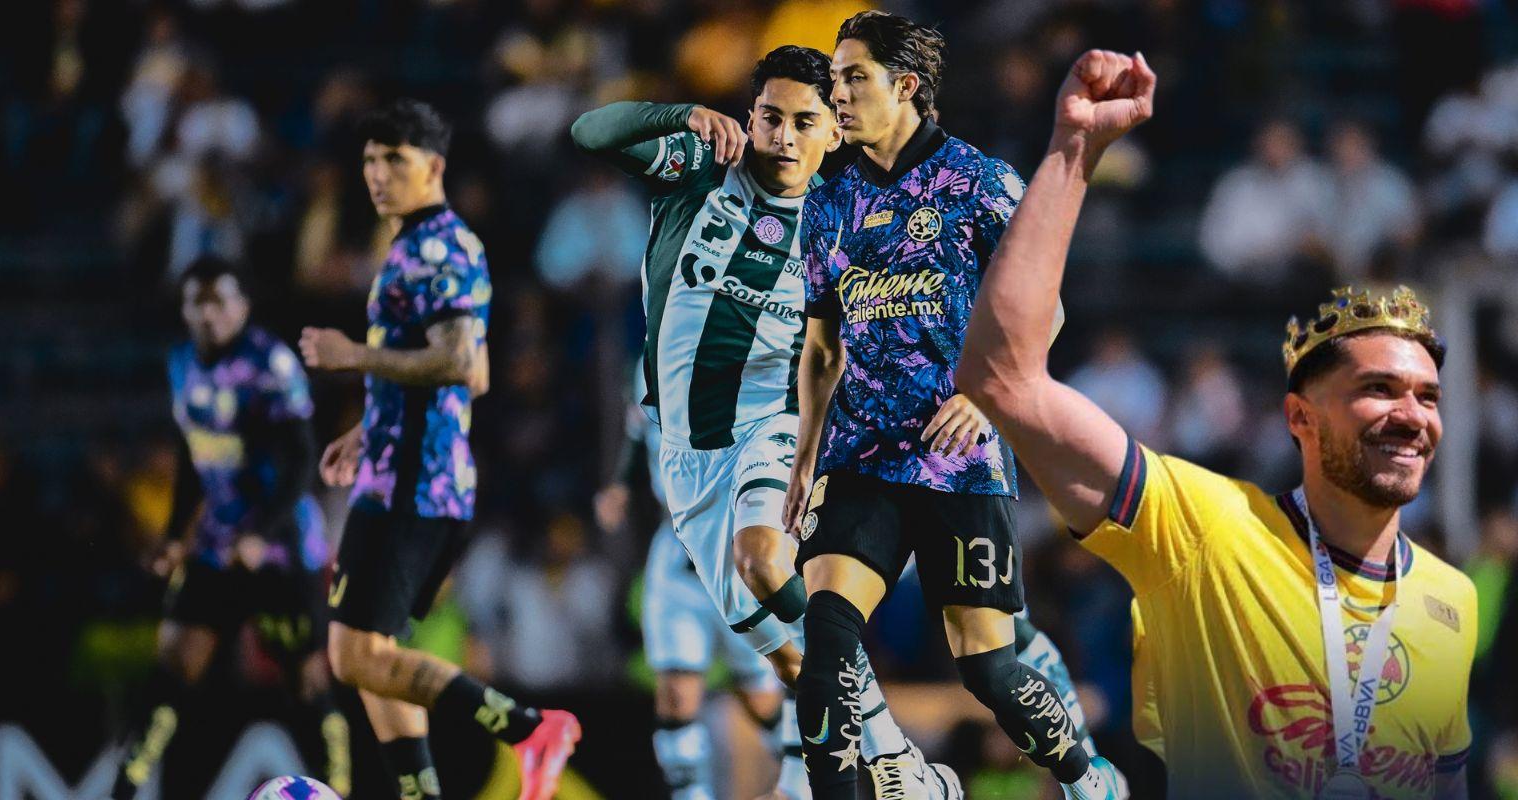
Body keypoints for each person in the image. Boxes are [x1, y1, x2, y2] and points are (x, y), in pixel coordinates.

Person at [955, 48, 1475, 799]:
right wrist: (1075, 149)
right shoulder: (1204, 528)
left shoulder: (1451, 598)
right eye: (1380, 388)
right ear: (1299, 415)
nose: (1412, 415)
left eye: (1428, 397)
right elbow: (1003, 377)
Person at [573, 45, 958, 798]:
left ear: (835, 133)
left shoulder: (851, 221)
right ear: (749, 117)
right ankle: (898, 763)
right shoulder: (698, 167)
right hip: (684, 452)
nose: (782, 136)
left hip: (771, 427)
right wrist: (679, 111)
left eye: (803, 122)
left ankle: (873, 770)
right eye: (770, 117)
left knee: (762, 558)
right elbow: (591, 132)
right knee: (787, 656)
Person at [783, 12, 1123, 800]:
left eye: (851, 77)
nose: (836, 93)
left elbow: (1049, 307)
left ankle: (1086, 775)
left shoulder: (978, 181)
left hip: (959, 458)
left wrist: (992, 400)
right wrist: (803, 465)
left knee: (988, 666)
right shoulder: (826, 201)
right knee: (827, 636)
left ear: (905, 86)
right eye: (833, 79)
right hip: (861, 454)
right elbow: (822, 349)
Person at [299, 99, 580, 800]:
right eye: (369, 159)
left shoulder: (443, 248)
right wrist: (371, 427)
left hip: (415, 486)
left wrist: (352, 354)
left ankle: (527, 727)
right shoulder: (410, 247)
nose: (376, 174)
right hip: (402, 470)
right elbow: (475, 371)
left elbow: (456, 362)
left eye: (393, 159)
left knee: (353, 653)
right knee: (370, 656)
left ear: (434, 166)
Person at [110, 256, 349, 799]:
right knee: (171, 670)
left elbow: (300, 457)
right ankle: (124, 790)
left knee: (309, 685)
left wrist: (262, 531)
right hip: (216, 546)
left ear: (242, 305)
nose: (209, 314)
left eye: (220, 301)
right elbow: (194, 456)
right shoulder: (181, 364)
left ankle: (340, 791)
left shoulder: (270, 363)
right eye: (198, 301)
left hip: (282, 548)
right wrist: (175, 535)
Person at [598, 379, 801, 800]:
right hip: (677, 552)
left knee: (762, 692)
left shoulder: (746, 346)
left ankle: (803, 783)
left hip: (739, 553)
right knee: (676, 692)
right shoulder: (650, 357)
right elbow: (639, 427)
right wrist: (620, 483)